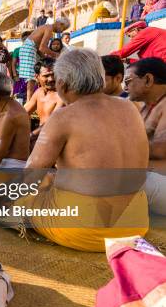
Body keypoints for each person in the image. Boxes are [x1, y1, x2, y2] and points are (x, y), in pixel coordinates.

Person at [17, 49, 149, 252]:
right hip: (135, 223)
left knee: (18, 194)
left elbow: (32, 173)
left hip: (84, 229)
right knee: (50, 180)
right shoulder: (130, 108)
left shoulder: (63, 117)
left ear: (63, 83)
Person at [125, 58, 166, 215]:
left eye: (128, 81)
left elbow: (160, 150)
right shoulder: (147, 107)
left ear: (148, 80)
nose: (125, 87)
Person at [18, 17, 71, 102]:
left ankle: (30, 101)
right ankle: (29, 102)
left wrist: (46, 59)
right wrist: (57, 55)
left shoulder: (47, 27)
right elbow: (42, 48)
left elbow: (40, 49)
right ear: (60, 24)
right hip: (29, 49)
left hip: (29, 49)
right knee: (32, 79)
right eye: (63, 29)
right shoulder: (49, 28)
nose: (61, 32)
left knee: (34, 77)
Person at [24, 58, 64, 141]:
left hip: (55, 140)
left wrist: (30, 136)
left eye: (53, 74)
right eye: (46, 76)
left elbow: (51, 123)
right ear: (37, 76)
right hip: (40, 137)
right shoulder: (39, 92)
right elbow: (22, 113)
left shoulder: (62, 95)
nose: (51, 79)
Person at [11, 31, 32, 99]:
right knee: (18, 94)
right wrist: (15, 75)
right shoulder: (17, 50)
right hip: (20, 76)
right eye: (25, 39)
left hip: (31, 75)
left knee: (31, 94)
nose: (27, 40)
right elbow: (13, 64)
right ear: (22, 40)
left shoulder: (34, 49)